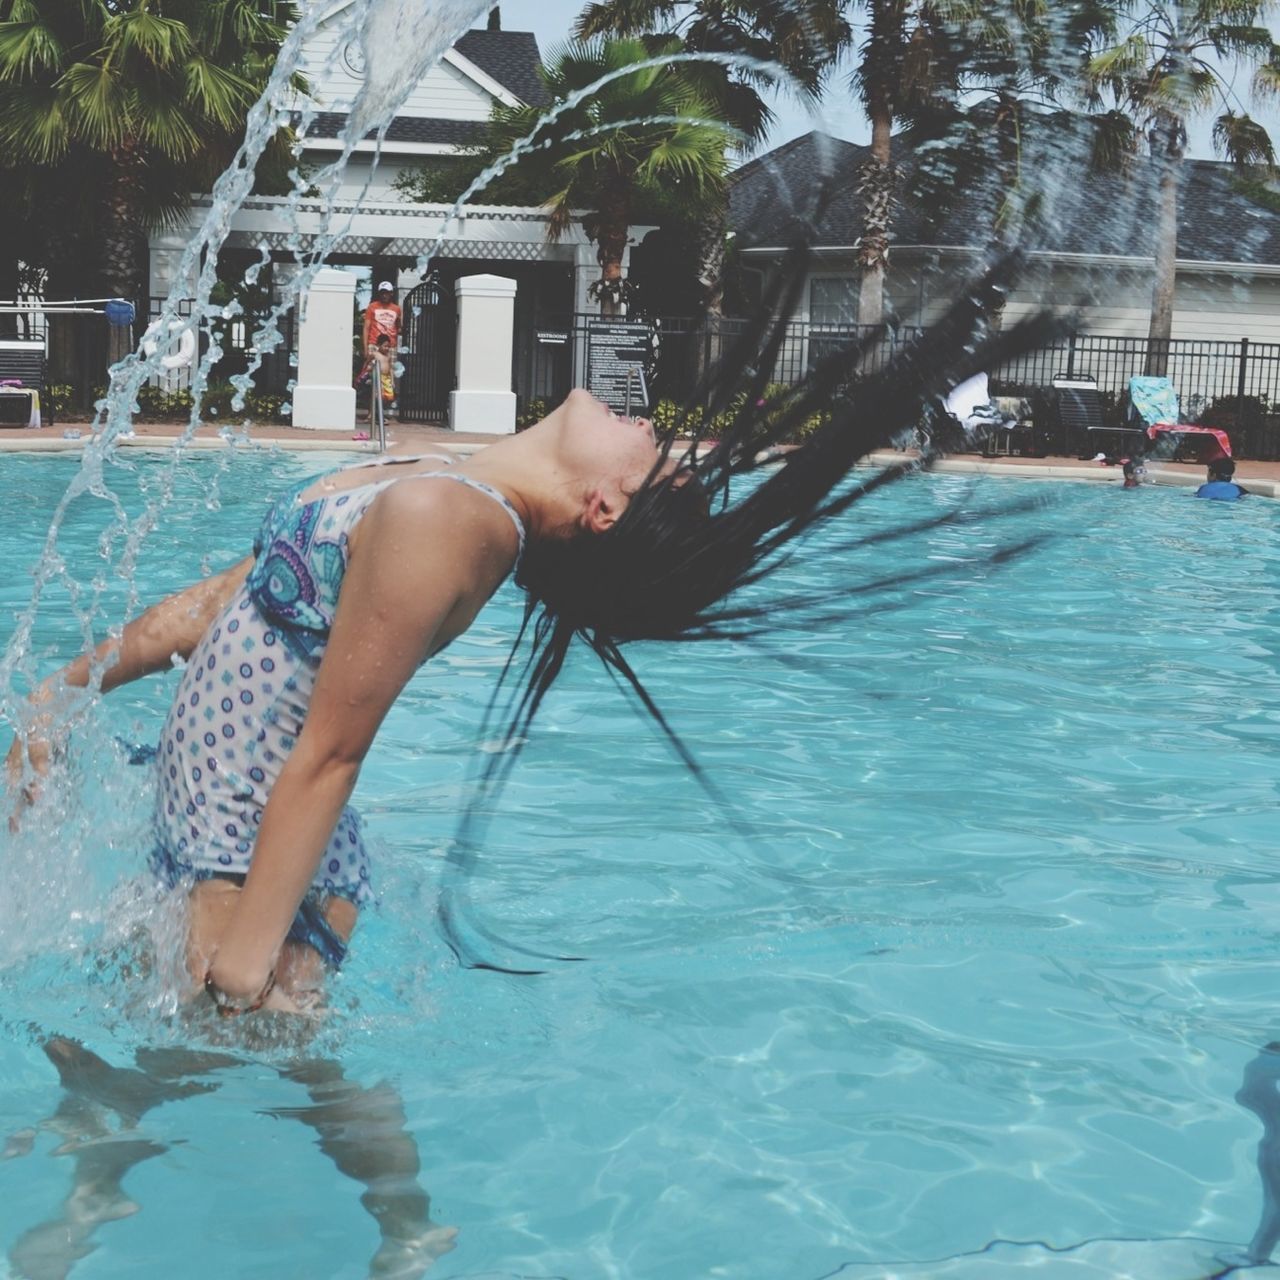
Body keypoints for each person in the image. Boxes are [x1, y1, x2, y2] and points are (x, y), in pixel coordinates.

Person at [7, 269, 1051, 1013]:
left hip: (252, 870)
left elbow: (331, 748)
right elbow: (218, 605)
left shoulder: (454, 523)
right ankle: (400, 1228)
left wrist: (242, 959)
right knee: (133, 1106)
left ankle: (401, 1229)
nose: (652, 426)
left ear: (602, 507)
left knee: (170, 1081)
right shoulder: (430, 476)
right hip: (221, 835)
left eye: (659, 457)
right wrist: (60, 692)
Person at [356, 333, 396, 423]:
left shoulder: (388, 356)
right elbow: (367, 362)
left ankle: (379, 413)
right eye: (385, 346)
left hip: (387, 379)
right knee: (376, 396)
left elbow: (390, 369)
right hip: (378, 378)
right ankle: (374, 415)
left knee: (388, 397)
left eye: (388, 346)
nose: (387, 348)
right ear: (378, 345)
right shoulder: (375, 354)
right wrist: (365, 372)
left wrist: (392, 381)